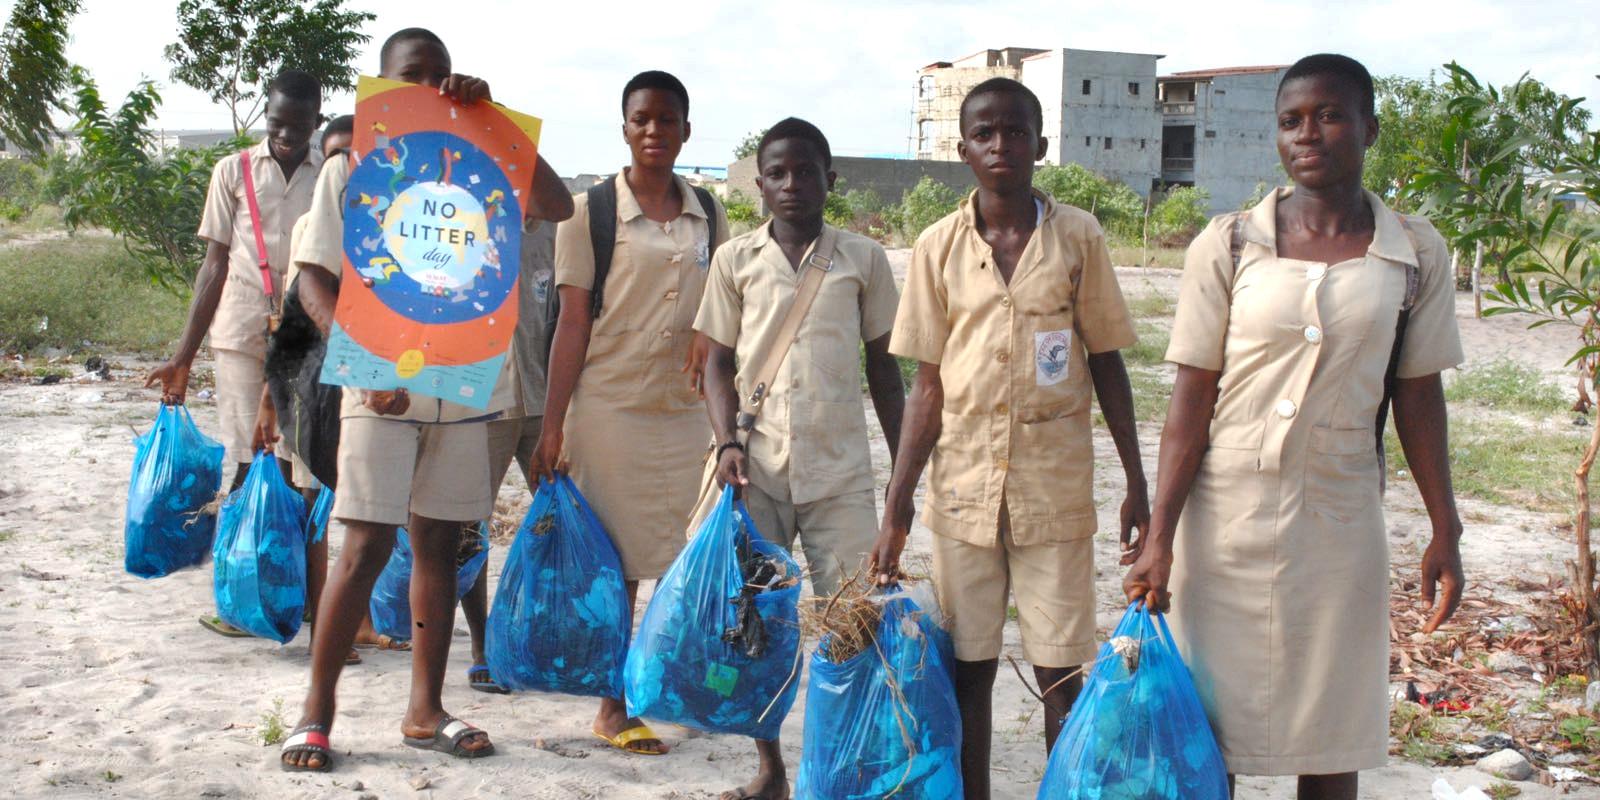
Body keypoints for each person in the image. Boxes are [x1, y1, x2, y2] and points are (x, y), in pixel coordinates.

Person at [1122, 53, 1464, 800]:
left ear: (1370, 128)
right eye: (1291, 121)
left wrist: (1446, 528)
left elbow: (1417, 396)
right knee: (1206, 733)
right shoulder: (1231, 244)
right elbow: (1191, 400)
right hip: (1225, 520)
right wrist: (1159, 540)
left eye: (1330, 115)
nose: (1308, 133)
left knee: (1329, 730)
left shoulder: (1412, 252)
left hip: (1339, 520)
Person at [276, 26, 574, 772]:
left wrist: (491, 117)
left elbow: (557, 203)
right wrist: (361, 359)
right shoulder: (354, 167)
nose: (433, 87)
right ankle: (316, 713)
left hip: (463, 380)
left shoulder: (480, 163)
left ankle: (424, 709)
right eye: (414, 76)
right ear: (380, 86)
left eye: (442, 75)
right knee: (367, 543)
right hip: (377, 382)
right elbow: (311, 278)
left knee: (440, 543)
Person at [872, 77, 1150, 800]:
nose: (1002, 146)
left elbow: (1107, 361)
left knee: (1062, 672)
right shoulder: (937, 246)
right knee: (970, 668)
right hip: (962, 489)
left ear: (1041, 145)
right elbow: (926, 387)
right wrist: (897, 506)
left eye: (1017, 132)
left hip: (1052, 489)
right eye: (985, 134)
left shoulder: (1078, 236)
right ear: (962, 148)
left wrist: (1138, 483)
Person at [694, 118, 904, 800]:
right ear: (760, 186)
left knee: (851, 621)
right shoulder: (736, 260)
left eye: (805, 171)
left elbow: (884, 370)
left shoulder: (862, 260)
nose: (791, 185)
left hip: (840, 472)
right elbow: (715, 364)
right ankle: (771, 770)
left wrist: (903, 473)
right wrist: (726, 443)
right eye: (777, 174)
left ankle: (842, 766)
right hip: (755, 468)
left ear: (829, 180)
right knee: (761, 624)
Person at [534, 69, 729, 757]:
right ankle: (613, 706)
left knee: (677, 555)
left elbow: (723, 303)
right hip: (610, 404)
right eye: (641, 119)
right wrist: (553, 423)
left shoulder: (708, 208)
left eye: (666, 119)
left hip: (684, 410)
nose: (654, 131)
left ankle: (657, 685)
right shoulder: (591, 211)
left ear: (685, 129)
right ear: (625, 128)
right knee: (615, 561)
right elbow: (572, 321)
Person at [144, 69, 323, 639]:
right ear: (264, 117)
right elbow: (214, 266)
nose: (285, 137)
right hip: (243, 332)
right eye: (276, 125)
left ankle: (304, 600)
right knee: (249, 462)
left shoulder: (334, 174)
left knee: (306, 472)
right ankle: (243, 600)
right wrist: (182, 356)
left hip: (309, 336)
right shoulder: (233, 170)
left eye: (298, 127)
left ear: (317, 121)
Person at [462, 216, 559, 693]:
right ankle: (483, 646)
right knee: (470, 525)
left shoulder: (556, 227)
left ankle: (539, 634)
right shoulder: (465, 217)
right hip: (481, 397)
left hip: (544, 397)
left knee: (557, 522)